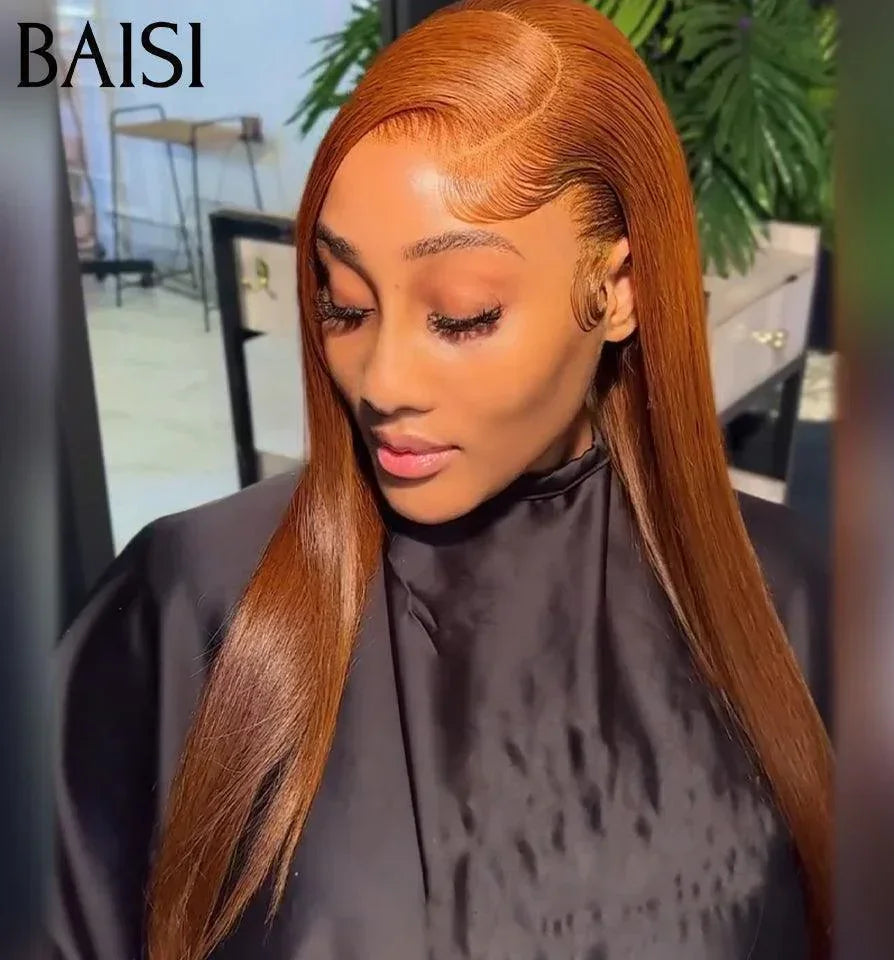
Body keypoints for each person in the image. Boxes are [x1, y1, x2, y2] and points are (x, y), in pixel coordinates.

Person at [52, 1, 833, 958]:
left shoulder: (803, 605)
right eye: (344, 305)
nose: (383, 382)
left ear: (616, 290)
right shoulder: (195, 599)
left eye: (462, 316)